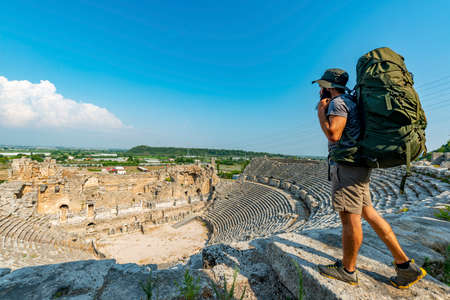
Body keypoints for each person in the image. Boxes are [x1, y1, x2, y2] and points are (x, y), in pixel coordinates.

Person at [312, 68, 427, 288]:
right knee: (369, 213)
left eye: (321, 85)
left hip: (347, 167)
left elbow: (334, 135)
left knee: (350, 220)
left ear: (329, 86)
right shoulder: (353, 101)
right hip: (359, 166)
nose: (319, 89)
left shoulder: (337, 104)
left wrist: (320, 112)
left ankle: (348, 270)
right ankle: (405, 266)